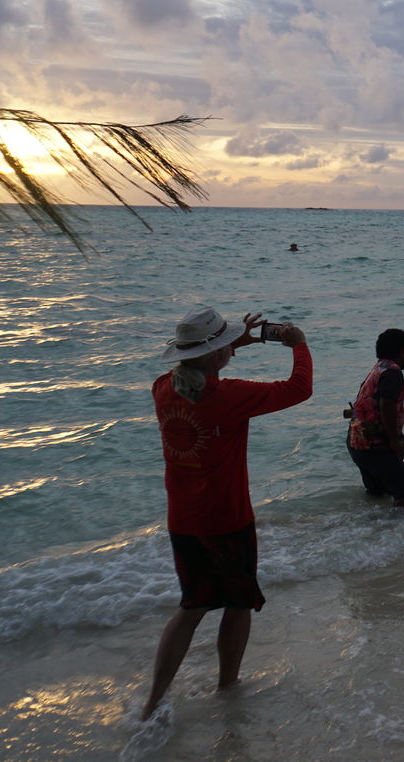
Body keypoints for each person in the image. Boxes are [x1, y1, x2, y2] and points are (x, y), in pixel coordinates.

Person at [142, 305, 313, 721]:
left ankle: (152, 703)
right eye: (225, 347)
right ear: (217, 353)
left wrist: (229, 345)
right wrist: (299, 346)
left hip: (183, 520)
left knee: (191, 607)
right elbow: (298, 389)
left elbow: (196, 372)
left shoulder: (163, 388)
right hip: (228, 519)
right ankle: (227, 685)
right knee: (238, 603)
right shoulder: (229, 397)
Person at [347, 328, 404, 508]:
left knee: (377, 492)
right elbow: (386, 407)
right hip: (374, 444)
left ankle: (373, 528)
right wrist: (395, 441)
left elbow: (378, 404)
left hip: (356, 442)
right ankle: (398, 531)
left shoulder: (378, 368)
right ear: (401, 351)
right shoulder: (393, 372)